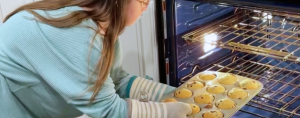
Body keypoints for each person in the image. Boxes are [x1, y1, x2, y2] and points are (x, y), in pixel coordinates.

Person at [0, 0, 192, 118]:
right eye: (143, 0)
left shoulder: (101, 28)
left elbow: (116, 80)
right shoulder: (79, 35)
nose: (147, 5)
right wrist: (166, 113)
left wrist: (172, 94)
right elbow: (108, 110)